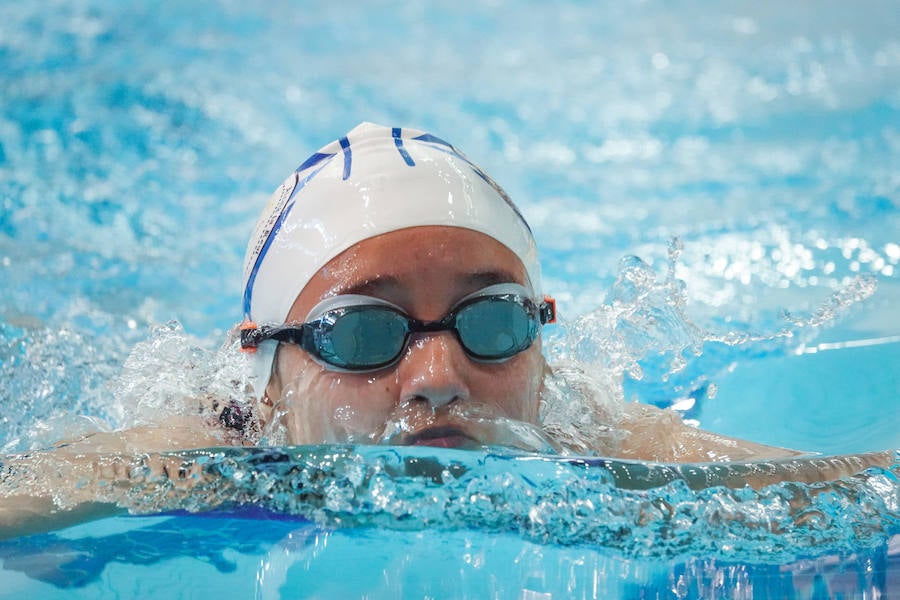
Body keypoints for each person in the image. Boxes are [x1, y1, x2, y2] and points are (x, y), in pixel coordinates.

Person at [0, 123, 892, 539]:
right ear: (268, 364)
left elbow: (836, 490)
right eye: (362, 333)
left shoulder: (581, 430)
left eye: (492, 321)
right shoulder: (204, 452)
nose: (437, 374)